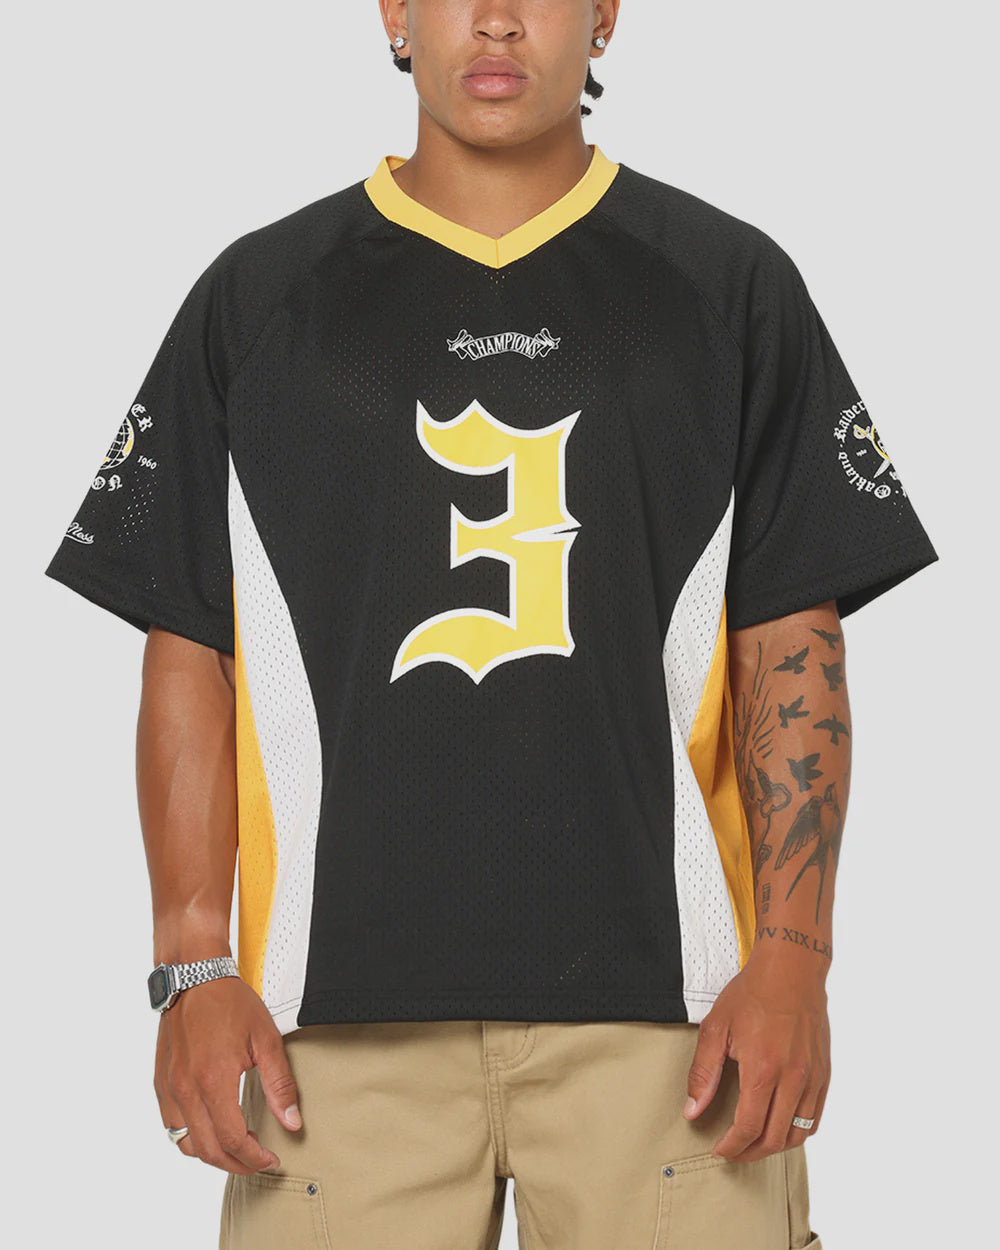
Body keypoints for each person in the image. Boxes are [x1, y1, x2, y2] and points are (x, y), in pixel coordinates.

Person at [43, 3, 939, 1247]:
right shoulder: (259, 298)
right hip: (330, 1031)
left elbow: (791, 638)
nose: (501, 19)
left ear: (606, 12)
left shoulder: (729, 286)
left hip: (677, 1019)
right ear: (394, 11)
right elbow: (190, 636)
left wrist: (795, 957)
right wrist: (191, 964)